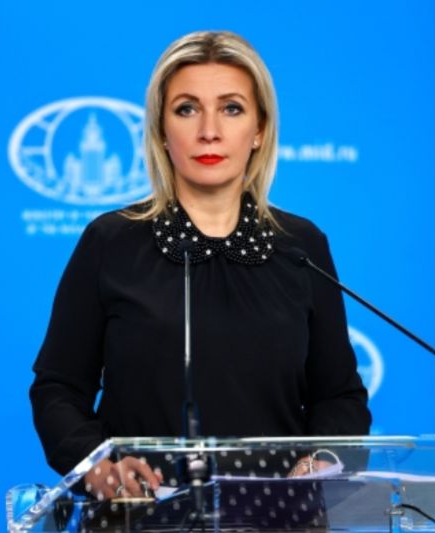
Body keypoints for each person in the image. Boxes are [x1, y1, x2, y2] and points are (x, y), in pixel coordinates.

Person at [30, 30, 371, 501]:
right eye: (187, 109)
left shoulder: (301, 246)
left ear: (260, 130)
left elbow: (340, 397)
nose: (209, 130)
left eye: (231, 108)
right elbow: (58, 389)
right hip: (140, 517)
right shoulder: (111, 243)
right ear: (161, 130)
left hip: (278, 516)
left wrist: (324, 460)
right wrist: (98, 468)